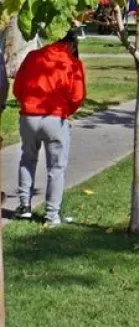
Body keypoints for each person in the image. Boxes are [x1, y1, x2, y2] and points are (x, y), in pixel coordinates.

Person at [13, 32, 86, 225]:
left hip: (29, 116)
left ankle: (24, 206)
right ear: (71, 44)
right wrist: (65, 110)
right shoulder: (72, 63)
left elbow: (18, 87)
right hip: (55, 117)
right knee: (56, 168)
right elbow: (78, 95)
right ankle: (51, 215)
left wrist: (27, 103)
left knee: (27, 159)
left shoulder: (33, 56)